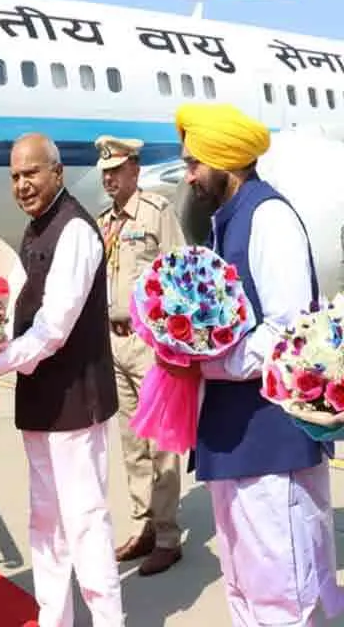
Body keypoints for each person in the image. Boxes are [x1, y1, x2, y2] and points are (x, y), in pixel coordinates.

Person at [169, 103, 344, 626]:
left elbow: (287, 336)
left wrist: (205, 362)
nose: (190, 175)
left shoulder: (269, 218)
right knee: (246, 592)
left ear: (225, 161)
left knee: (286, 598)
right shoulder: (228, 221)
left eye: (195, 163)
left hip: (271, 448)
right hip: (232, 441)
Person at [0, 134, 123, 627]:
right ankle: (55, 618)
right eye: (14, 177)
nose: (22, 185)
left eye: (31, 174)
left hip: (75, 403)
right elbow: (22, 317)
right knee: (46, 523)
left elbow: (53, 328)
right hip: (41, 404)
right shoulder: (36, 230)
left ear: (57, 173)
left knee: (85, 521)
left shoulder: (74, 231)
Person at [94, 135, 187, 576]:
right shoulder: (103, 222)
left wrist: (172, 336)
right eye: (105, 172)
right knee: (131, 440)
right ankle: (145, 524)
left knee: (161, 441)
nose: (109, 179)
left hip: (149, 342)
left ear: (135, 168)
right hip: (115, 344)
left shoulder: (156, 212)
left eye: (116, 170)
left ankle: (168, 535)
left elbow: (180, 271)